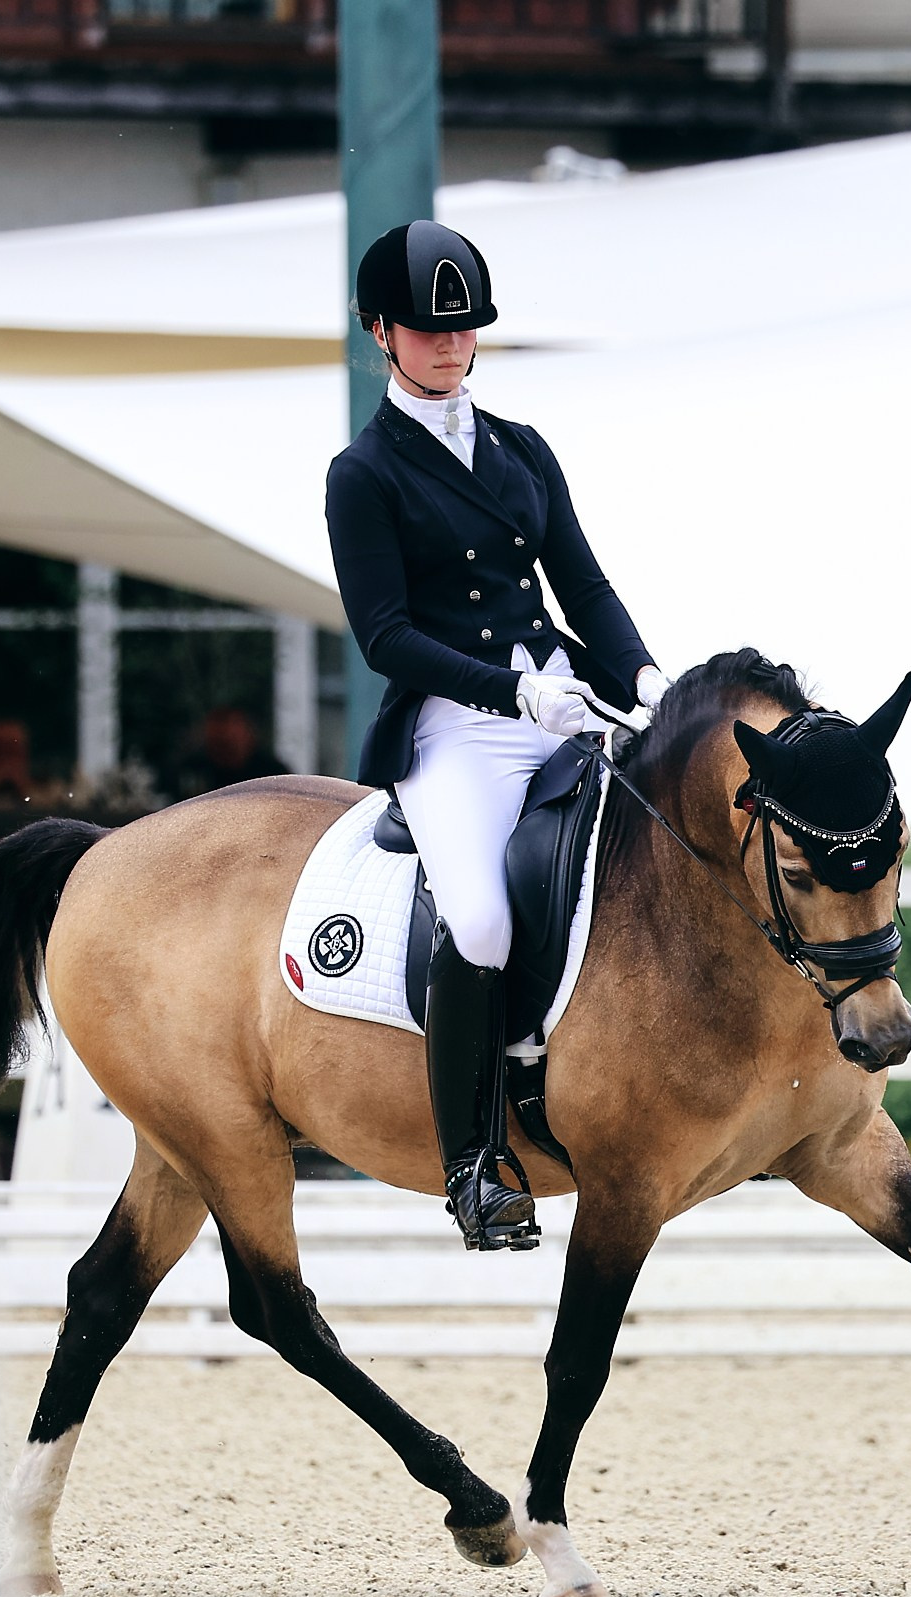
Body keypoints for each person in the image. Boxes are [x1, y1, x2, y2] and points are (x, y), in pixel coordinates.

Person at [325, 218, 669, 1250]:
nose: (449, 346)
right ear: (380, 333)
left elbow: (586, 587)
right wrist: (508, 694)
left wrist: (646, 677)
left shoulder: (522, 451)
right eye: (426, 331)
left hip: (562, 697)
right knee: (477, 921)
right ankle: (475, 1164)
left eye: (463, 328)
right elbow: (386, 638)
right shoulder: (364, 473)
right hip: (455, 727)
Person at [174, 706, 284, 797]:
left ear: (248, 733)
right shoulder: (192, 770)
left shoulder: (272, 773)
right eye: (217, 733)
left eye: (232, 726)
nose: (223, 735)